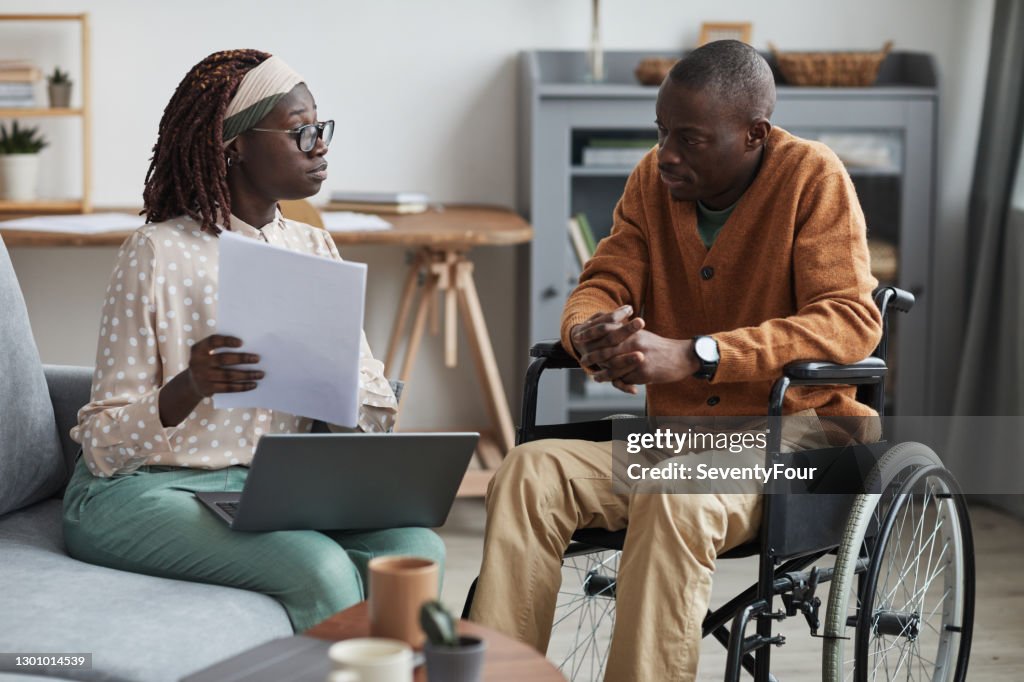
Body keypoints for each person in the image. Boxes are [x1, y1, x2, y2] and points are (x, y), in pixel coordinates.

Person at [469, 40, 882, 681]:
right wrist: (590, 332)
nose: (666, 154)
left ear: (753, 135)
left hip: (792, 440)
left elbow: (851, 322)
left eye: (689, 139)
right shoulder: (652, 182)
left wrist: (700, 355)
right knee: (528, 471)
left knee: (672, 494)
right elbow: (604, 279)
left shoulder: (811, 176)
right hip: (676, 441)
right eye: (662, 132)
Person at [63, 49, 444, 632]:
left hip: (272, 486)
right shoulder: (157, 252)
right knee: (315, 564)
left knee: (418, 549)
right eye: (300, 133)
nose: (320, 146)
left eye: (321, 129)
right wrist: (190, 385)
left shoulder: (314, 249)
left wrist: (344, 389)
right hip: (145, 491)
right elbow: (103, 447)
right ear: (235, 143)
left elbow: (370, 411)